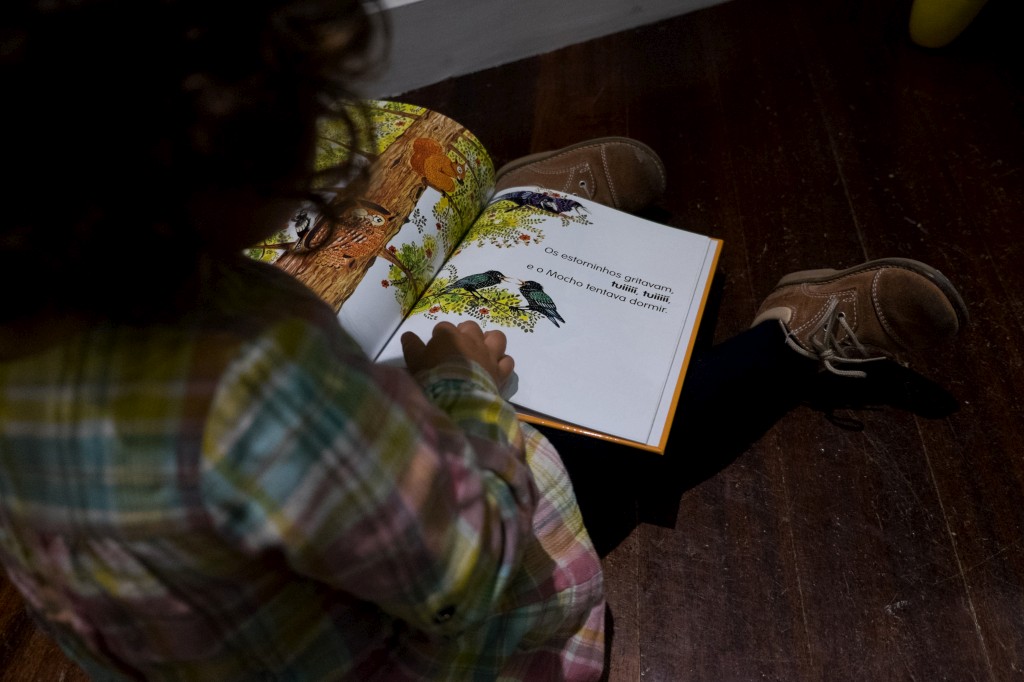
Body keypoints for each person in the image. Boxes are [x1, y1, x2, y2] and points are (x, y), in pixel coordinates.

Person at [0, 2, 967, 681]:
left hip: (233, 629)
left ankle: (525, 219)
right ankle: (786, 350)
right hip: (419, 641)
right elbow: (467, 566)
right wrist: (467, 394)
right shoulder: (261, 395)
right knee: (587, 454)